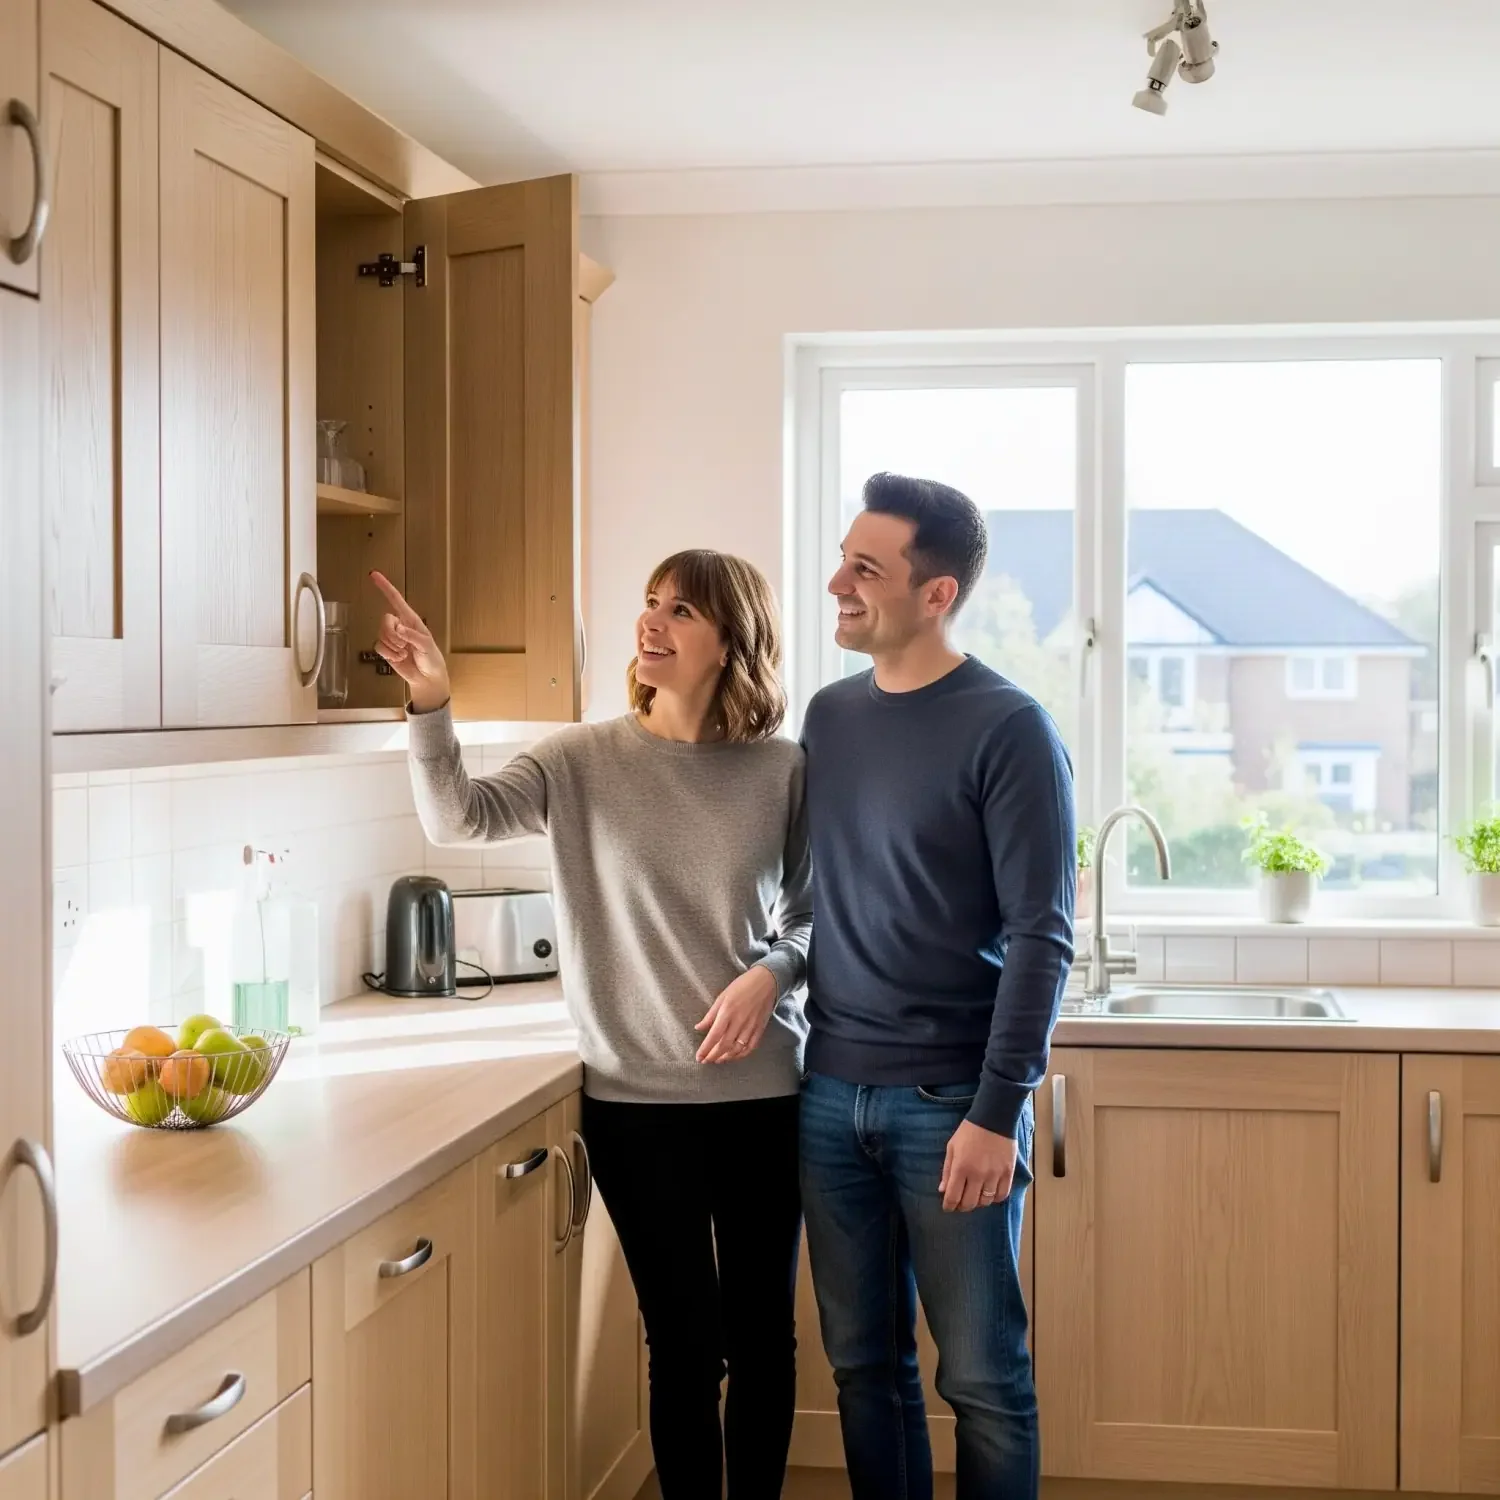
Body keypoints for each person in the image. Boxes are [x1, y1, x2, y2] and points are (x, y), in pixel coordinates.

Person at [371, 552, 811, 1500]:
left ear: (732, 639)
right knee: (686, 1347)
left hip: (764, 1099)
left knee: (764, 1347)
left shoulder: (782, 770)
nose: (650, 623)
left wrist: (769, 977)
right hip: (636, 1103)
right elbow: (455, 819)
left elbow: (814, 918)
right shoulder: (579, 761)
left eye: (680, 610)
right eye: (648, 603)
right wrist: (431, 698)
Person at [798, 473, 1076, 1500]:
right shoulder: (828, 718)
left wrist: (996, 1114)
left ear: (937, 592)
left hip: (949, 1104)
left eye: (865, 568)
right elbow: (809, 898)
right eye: (843, 557)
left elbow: (1043, 938)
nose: (837, 581)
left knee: (986, 1379)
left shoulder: (1010, 728)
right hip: (829, 1093)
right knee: (865, 1371)